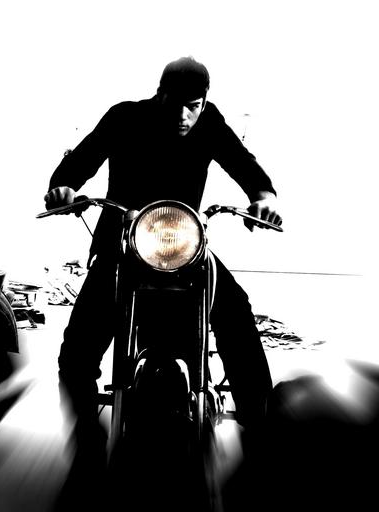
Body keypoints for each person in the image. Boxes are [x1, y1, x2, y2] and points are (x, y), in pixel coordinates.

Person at [45, 56, 282, 508]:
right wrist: (63, 189)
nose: (183, 115)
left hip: (186, 249)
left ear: (204, 102)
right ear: (160, 93)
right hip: (123, 243)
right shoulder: (124, 116)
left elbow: (244, 164)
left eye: (194, 105)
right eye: (176, 103)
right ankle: (86, 445)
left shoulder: (210, 122)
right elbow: (79, 164)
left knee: (236, 312)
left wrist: (263, 197)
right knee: (78, 350)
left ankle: (262, 438)